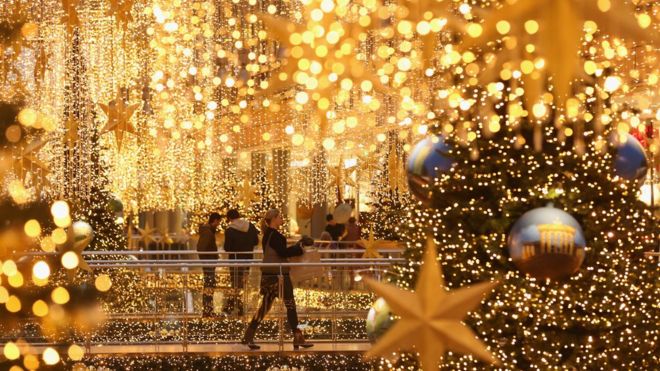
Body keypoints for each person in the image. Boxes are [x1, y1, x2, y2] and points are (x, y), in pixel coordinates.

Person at [242, 208, 314, 350]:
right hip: (280, 275)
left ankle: (248, 335)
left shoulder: (268, 235)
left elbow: (278, 251)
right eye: (280, 217)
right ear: (274, 218)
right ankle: (298, 337)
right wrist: (298, 248)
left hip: (269, 275)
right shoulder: (276, 235)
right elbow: (283, 252)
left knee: (265, 307)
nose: (282, 219)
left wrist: (295, 246)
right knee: (290, 305)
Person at [223, 209, 259, 315]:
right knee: (243, 282)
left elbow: (227, 248)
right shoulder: (250, 226)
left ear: (229, 218)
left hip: (235, 260)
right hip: (247, 259)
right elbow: (256, 241)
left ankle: (235, 306)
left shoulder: (229, 230)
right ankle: (236, 306)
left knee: (235, 282)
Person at [197, 212, 222, 317]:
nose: (218, 224)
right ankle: (208, 310)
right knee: (209, 285)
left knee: (209, 285)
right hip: (209, 263)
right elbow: (201, 248)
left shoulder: (208, 231)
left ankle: (208, 309)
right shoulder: (207, 232)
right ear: (215, 220)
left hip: (209, 262)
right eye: (218, 222)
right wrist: (209, 259)